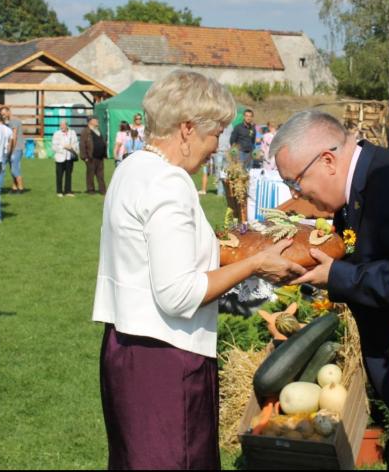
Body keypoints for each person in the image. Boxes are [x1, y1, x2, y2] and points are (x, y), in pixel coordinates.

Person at [92, 70, 305, 469]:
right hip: (166, 359)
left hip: (126, 349)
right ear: (187, 129)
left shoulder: (131, 168)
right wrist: (256, 262)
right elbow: (179, 294)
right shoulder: (168, 182)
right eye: (215, 134)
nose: (216, 147)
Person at [271, 109, 389, 469]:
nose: (295, 194)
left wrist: (336, 276)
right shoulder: (364, 182)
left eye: (296, 182)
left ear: (328, 160)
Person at [1, 106, 25, 193]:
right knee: (12, 168)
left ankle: (21, 188)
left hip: (16, 148)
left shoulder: (13, 121)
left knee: (15, 169)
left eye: (4, 114)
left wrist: (11, 149)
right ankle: (15, 187)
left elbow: (13, 136)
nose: (3, 116)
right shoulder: (11, 121)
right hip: (16, 147)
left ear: (8, 111)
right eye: (2, 114)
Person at [80, 116, 107, 195]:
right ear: (90, 121)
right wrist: (84, 157)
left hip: (100, 157)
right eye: (95, 120)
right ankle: (91, 190)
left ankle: (102, 190)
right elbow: (82, 145)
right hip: (91, 157)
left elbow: (102, 142)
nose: (97, 121)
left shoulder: (98, 130)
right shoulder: (86, 131)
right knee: (90, 174)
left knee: (100, 174)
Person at [52, 119, 79, 197]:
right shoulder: (56, 134)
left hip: (69, 157)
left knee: (69, 175)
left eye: (63, 125)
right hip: (60, 157)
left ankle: (68, 191)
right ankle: (59, 191)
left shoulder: (72, 133)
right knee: (59, 175)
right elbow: (54, 147)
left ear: (67, 125)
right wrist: (64, 147)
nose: (62, 126)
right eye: (61, 125)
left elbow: (76, 143)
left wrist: (72, 147)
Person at [213, 122, 233, 197]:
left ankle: (223, 191)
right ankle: (219, 191)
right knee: (218, 172)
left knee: (225, 173)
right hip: (218, 152)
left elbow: (231, 137)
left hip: (227, 152)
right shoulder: (217, 124)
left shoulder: (230, 125)